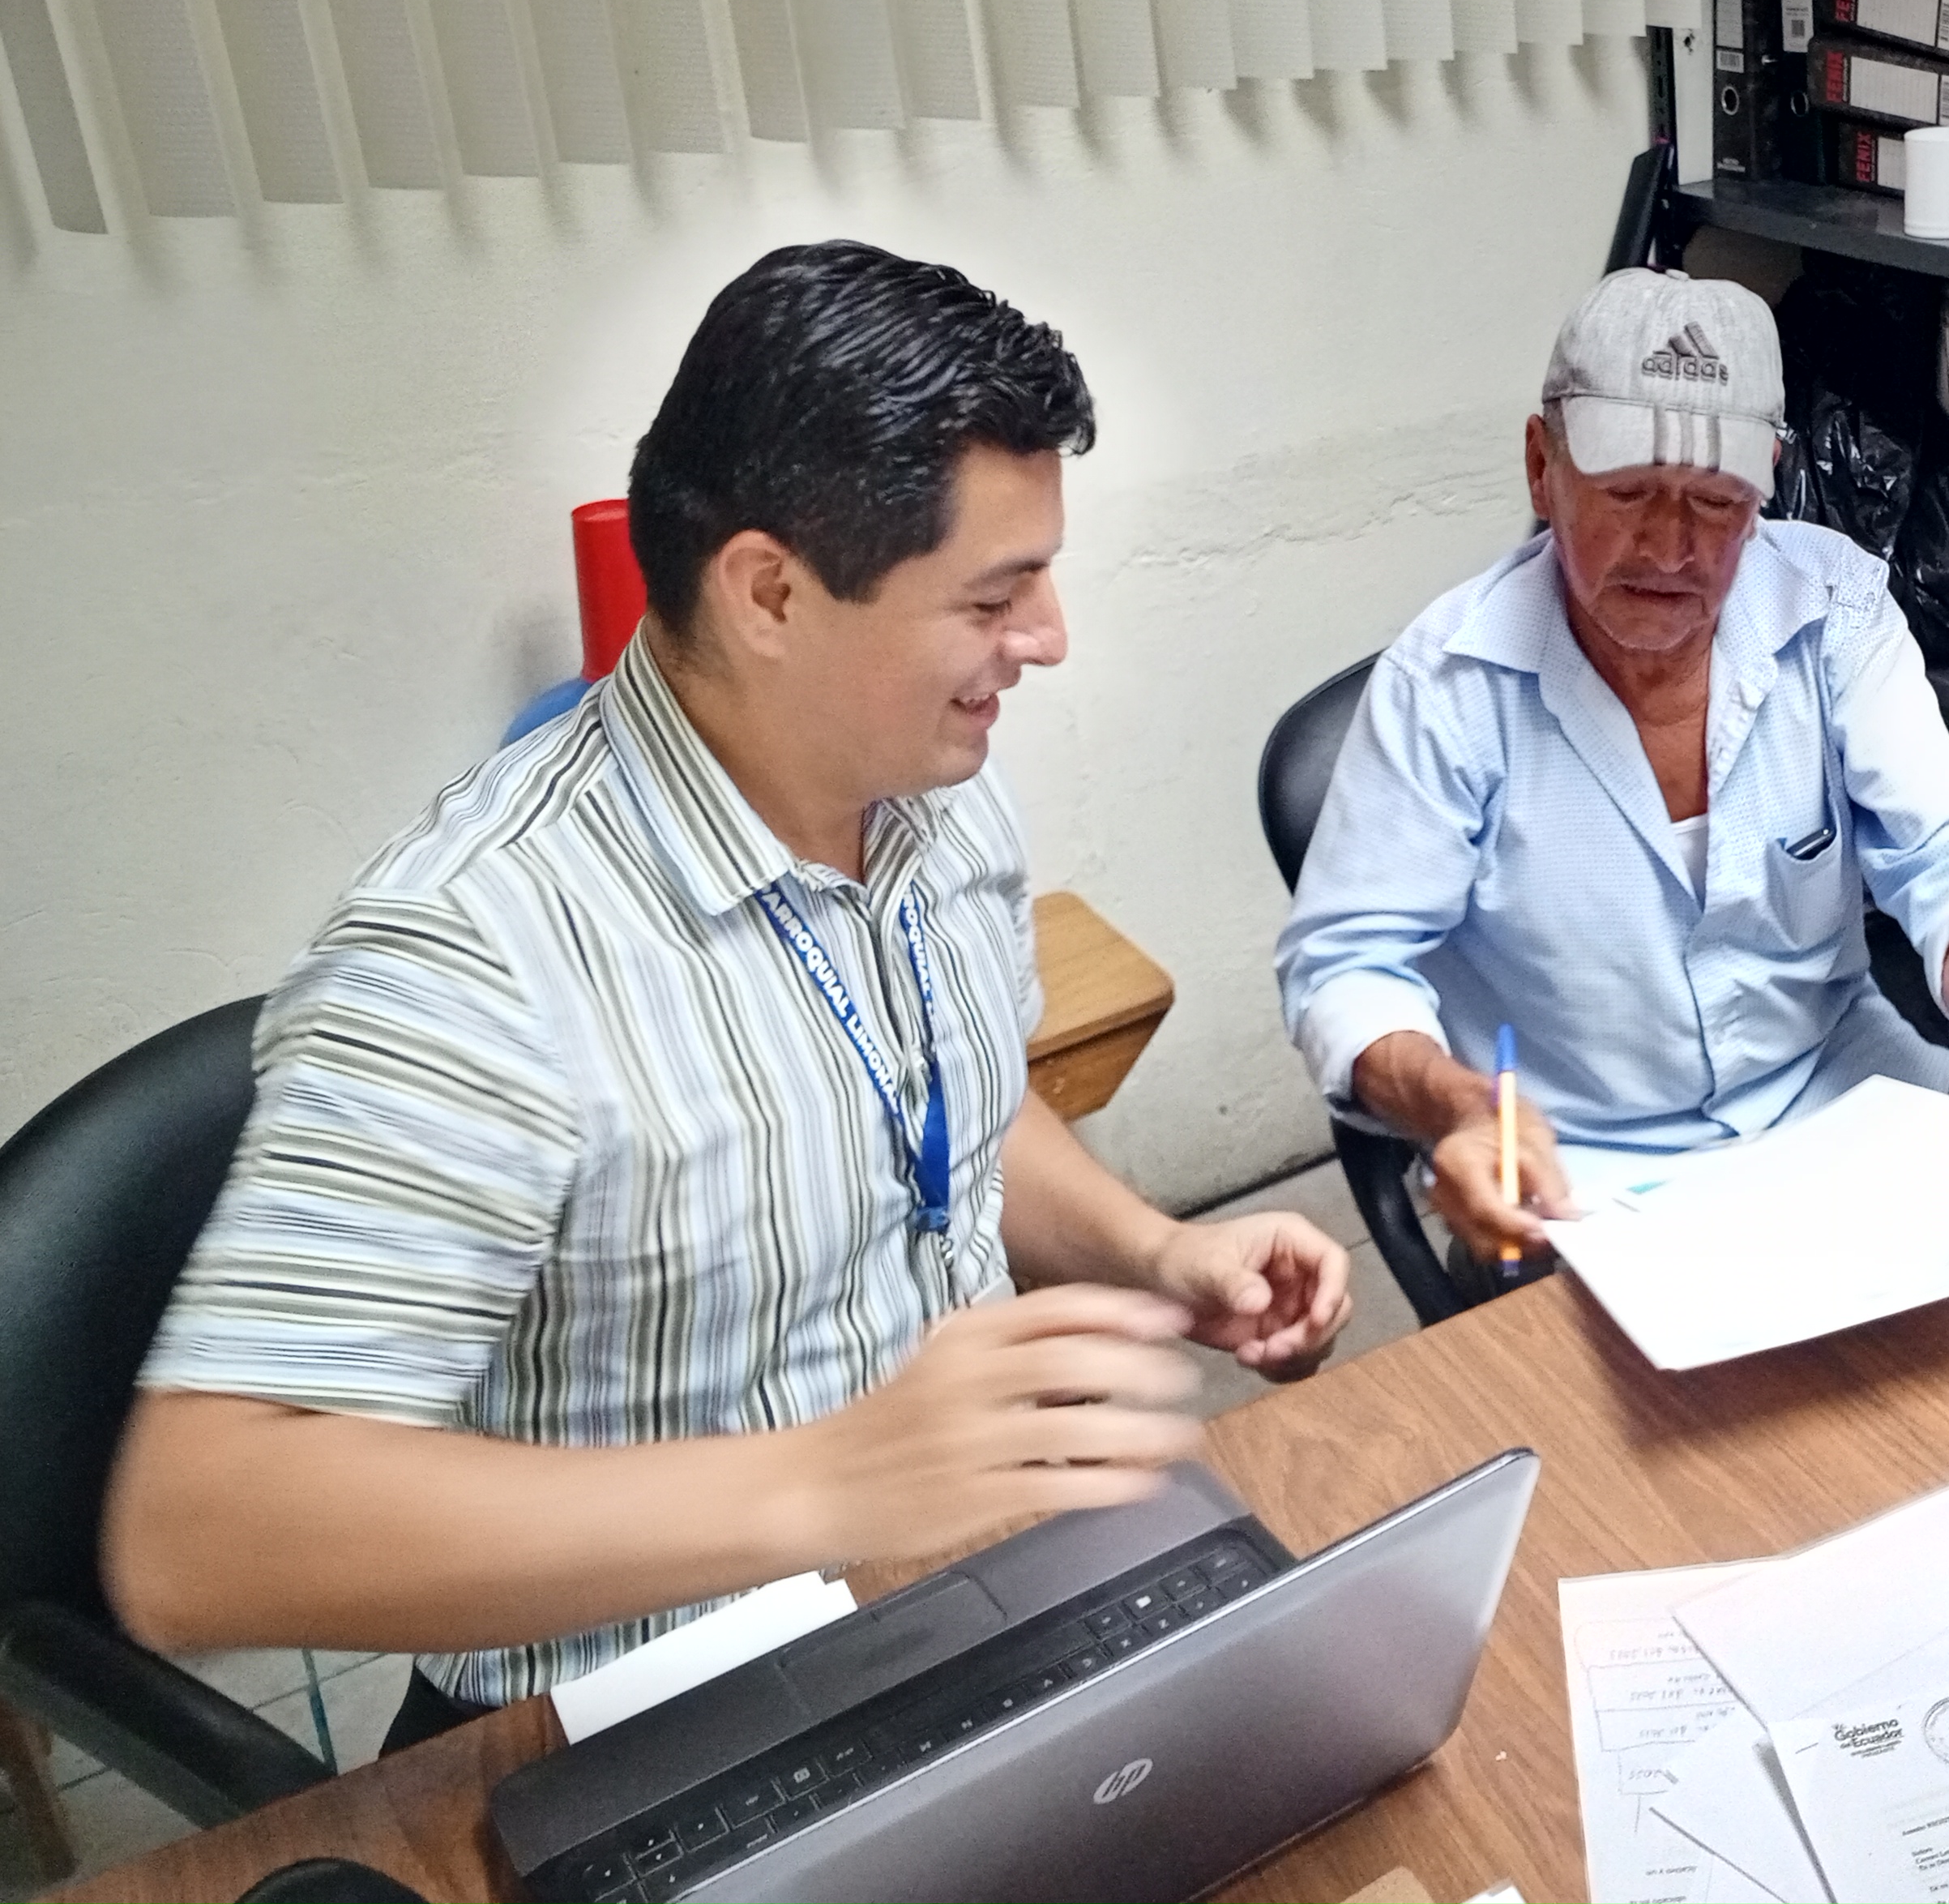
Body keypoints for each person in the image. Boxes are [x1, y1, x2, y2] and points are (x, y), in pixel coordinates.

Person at [107, 243, 1350, 1743]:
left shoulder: (936, 791)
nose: (1047, 638)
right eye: (993, 595)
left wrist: (1155, 1252)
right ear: (770, 591)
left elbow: (948, 1106)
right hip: (635, 1706)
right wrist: (828, 1479)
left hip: (950, 1590)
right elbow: (197, 1533)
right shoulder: (481, 951)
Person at [1276, 269, 1949, 1392]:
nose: (1670, 546)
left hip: (1838, 1111)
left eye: (1715, 503)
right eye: (1628, 490)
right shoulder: (1450, 686)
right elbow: (1348, 965)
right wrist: (1456, 1104)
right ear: (1541, 467)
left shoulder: (1834, 612)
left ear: (1767, 482)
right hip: (1585, 1171)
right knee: (1671, 1432)